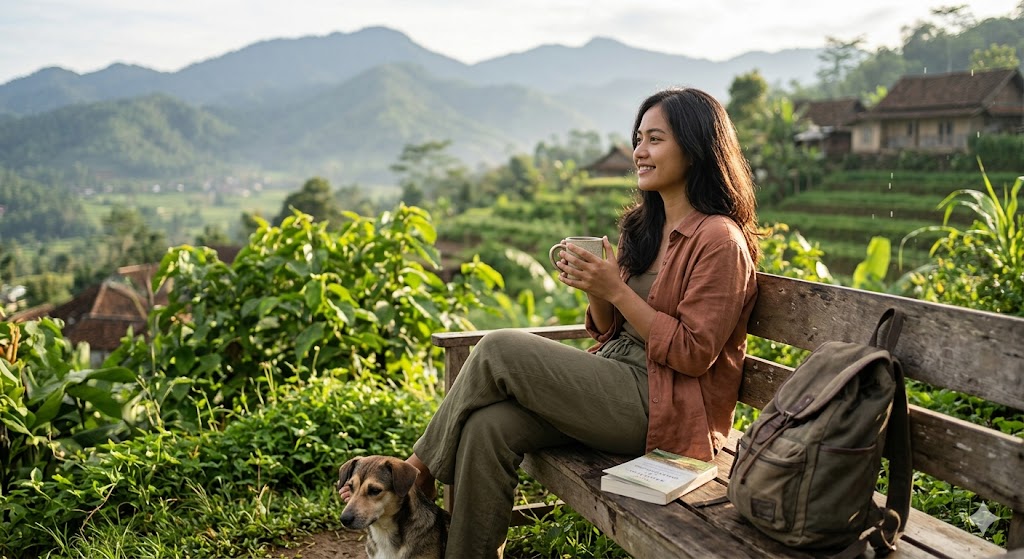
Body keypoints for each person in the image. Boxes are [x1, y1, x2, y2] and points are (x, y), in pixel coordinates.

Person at [341, 86, 761, 558]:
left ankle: (415, 475)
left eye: (655, 139)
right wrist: (596, 290)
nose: (639, 151)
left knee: (499, 347)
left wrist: (616, 289)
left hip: (665, 402)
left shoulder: (719, 240)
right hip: (617, 379)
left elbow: (692, 353)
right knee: (489, 427)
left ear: (697, 147)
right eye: (638, 138)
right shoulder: (646, 227)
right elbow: (609, 331)